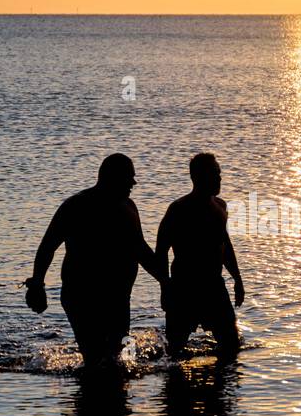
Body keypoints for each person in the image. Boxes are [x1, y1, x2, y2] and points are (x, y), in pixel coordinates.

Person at [24, 153, 165, 366]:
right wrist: (37, 284)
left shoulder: (128, 207)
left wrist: (166, 282)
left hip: (118, 296)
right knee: (96, 357)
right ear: (111, 177)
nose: (133, 182)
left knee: (115, 356)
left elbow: (141, 250)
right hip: (82, 296)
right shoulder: (76, 206)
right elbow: (47, 246)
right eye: (128, 177)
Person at [155, 153, 245, 357]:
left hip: (214, 286)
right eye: (214, 174)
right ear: (198, 177)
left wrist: (238, 280)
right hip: (183, 287)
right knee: (174, 351)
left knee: (231, 345)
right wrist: (165, 287)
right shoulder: (179, 209)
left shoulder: (220, 206)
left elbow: (225, 246)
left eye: (219, 173)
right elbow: (161, 250)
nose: (219, 178)